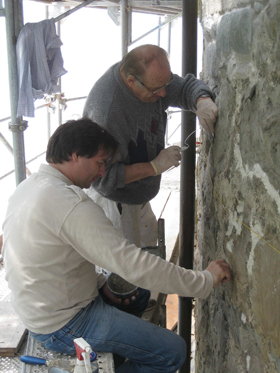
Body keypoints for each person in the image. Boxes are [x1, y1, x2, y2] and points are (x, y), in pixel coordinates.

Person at [2, 118, 231, 373]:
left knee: (138, 295)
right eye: (100, 163)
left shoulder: (28, 188)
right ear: (76, 155)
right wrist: (204, 280)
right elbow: (133, 264)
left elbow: (53, 257)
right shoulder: (70, 204)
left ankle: (120, 352)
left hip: (40, 308)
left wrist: (100, 284)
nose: (102, 173)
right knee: (173, 351)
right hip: (64, 324)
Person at [83, 44, 218, 248]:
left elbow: (183, 88)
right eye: (156, 89)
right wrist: (154, 167)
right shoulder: (108, 111)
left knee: (148, 245)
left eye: (165, 84)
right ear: (131, 81)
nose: (164, 94)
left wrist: (202, 100)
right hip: (113, 201)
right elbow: (104, 178)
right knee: (128, 268)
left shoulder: (150, 83)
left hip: (139, 192)